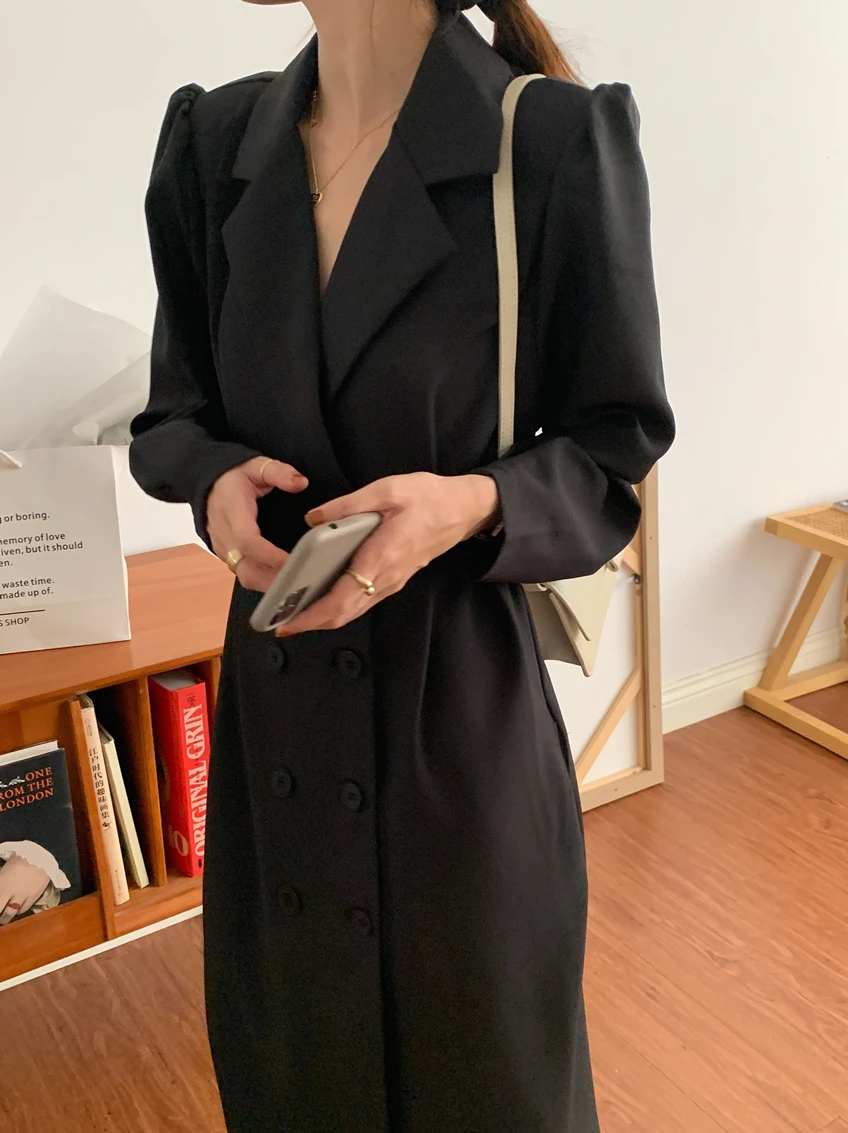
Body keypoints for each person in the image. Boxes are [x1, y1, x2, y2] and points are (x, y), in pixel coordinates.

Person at [129, 0, 675, 1127]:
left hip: (456, 727)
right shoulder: (213, 144)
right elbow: (172, 413)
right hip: (277, 715)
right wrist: (213, 481)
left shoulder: (548, 141)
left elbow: (614, 446)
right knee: (297, 1078)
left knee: (480, 1082)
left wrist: (470, 502)